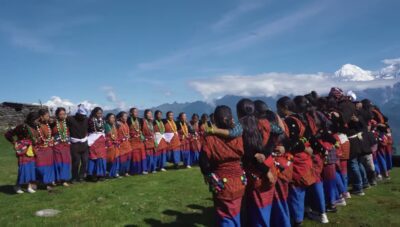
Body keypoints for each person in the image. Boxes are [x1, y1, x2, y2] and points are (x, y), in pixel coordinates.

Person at [277, 97, 328, 225]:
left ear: (284, 108)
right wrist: (321, 150)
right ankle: (316, 211)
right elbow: (308, 138)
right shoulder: (302, 119)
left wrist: (285, 147)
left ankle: (297, 219)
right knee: (304, 189)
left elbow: (294, 142)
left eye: (279, 108)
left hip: (298, 160)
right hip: (305, 159)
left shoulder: (289, 121)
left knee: (296, 191)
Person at [199, 105, 246, 226]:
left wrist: (207, 174)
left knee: (225, 214)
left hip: (221, 181)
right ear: (231, 118)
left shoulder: (210, 139)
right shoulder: (239, 135)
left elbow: (203, 161)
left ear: (215, 119)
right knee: (236, 211)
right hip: (239, 179)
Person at [237, 99, 277, 227]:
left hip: (257, 170)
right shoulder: (266, 123)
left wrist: (265, 169)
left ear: (239, 112)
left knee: (257, 204)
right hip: (270, 164)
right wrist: (266, 155)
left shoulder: (241, 127)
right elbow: (277, 134)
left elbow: (249, 154)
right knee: (266, 203)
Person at [254, 100, 292, 227]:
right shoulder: (276, 121)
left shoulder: (262, 125)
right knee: (281, 198)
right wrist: (285, 148)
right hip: (283, 163)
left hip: (274, 164)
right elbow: (287, 139)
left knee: (277, 199)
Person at [4, 112, 39, 194]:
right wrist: (14, 142)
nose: (38, 121)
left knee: (31, 169)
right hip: (23, 151)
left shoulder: (35, 127)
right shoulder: (22, 127)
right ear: (32, 119)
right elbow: (8, 134)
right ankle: (17, 186)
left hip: (31, 150)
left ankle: (29, 187)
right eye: (37, 120)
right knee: (23, 169)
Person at [67, 104, 89, 183]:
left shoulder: (86, 119)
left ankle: (81, 177)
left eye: (84, 115)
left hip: (84, 143)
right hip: (75, 144)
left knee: (85, 161)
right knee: (76, 161)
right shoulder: (70, 119)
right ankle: (74, 177)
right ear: (78, 114)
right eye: (82, 115)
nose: (83, 117)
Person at [35, 109, 56, 190]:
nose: (48, 117)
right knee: (40, 167)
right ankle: (38, 182)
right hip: (40, 149)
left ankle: (48, 183)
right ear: (41, 116)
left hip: (48, 149)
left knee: (49, 167)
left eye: (48, 116)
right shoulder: (36, 125)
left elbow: (55, 121)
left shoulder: (48, 124)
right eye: (47, 116)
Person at [52, 107, 71, 186]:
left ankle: (64, 180)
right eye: (60, 114)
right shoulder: (53, 123)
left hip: (66, 146)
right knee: (58, 163)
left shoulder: (67, 122)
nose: (62, 116)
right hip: (57, 146)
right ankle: (57, 179)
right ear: (57, 115)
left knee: (65, 163)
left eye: (64, 114)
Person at [87, 107, 107, 181]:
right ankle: (92, 175)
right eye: (98, 113)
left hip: (101, 142)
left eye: (101, 113)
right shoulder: (89, 120)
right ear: (95, 113)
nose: (100, 114)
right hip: (93, 141)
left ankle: (101, 174)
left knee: (101, 158)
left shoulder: (103, 120)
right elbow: (87, 130)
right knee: (93, 158)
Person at [128, 108, 147, 175]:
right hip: (132, 141)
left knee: (142, 154)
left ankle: (143, 169)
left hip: (139, 140)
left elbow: (141, 129)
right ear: (131, 113)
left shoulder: (140, 120)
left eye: (137, 112)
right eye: (134, 112)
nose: (136, 113)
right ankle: (134, 170)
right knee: (135, 155)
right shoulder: (128, 120)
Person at [116, 111, 132, 177]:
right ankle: (119, 172)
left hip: (127, 144)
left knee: (128, 158)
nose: (126, 118)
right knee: (122, 159)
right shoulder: (117, 124)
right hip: (121, 144)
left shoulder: (126, 123)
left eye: (126, 116)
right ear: (120, 118)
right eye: (124, 116)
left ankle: (126, 172)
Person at [104, 113, 120, 178]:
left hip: (115, 145)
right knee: (110, 159)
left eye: (114, 118)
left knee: (116, 158)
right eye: (111, 118)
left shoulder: (114, 126)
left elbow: (116, 135)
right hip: (109, 145)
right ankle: (108, 173)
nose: (113, 119)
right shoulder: (105, 126)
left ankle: (115, 173)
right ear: (107, 119)